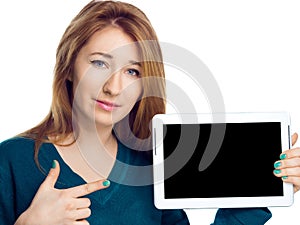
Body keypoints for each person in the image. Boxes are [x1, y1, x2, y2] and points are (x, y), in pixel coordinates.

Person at [0, 0, 299, 224]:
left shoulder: (151, 172)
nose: (114, 88)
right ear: (69, 67)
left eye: (132, 71)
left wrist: (267, 186)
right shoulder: (11, 162)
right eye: (99, 63)